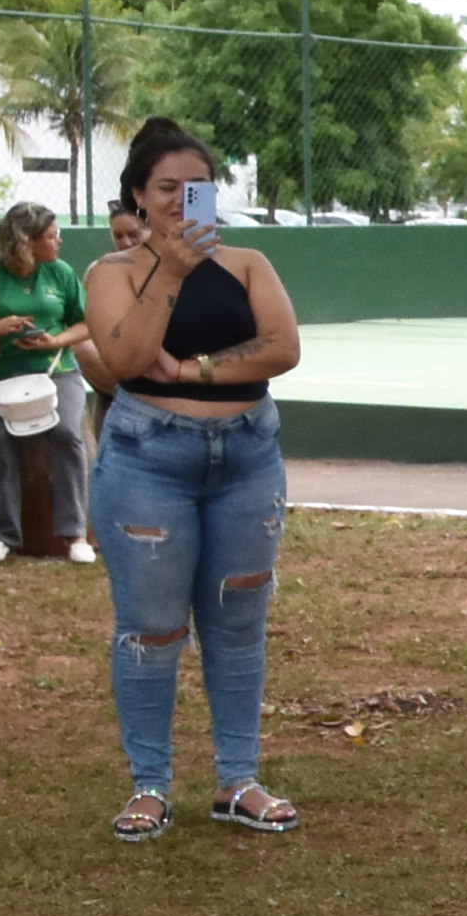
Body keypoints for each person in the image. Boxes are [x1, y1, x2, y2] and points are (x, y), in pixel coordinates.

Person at [78, 119, 305, 842]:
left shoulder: (247, 263)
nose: (181, 200)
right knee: (152, 629)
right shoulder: (112, 274)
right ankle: (149, 785)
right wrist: (171, 271)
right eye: (166, 188)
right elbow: (124, 360)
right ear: (137, 198)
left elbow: (282, 348)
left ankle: (239, 781)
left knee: (238, 624)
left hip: (247, 457)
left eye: (197, 187)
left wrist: (193, 369)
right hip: (150, 461)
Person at [0, 201, 93, 566]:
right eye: (52, 236)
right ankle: (2, 534)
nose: (59, 242)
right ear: (26, 241)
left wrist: (55, 341)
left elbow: (87, 322)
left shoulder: (59, 272)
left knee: (67, 433)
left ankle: (74, 533)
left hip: (55, 370)